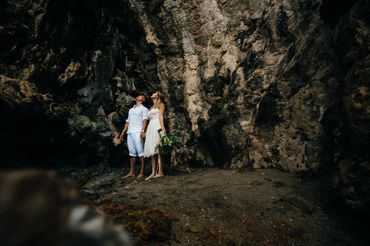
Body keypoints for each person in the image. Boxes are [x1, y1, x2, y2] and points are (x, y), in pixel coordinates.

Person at [118, 94, 148, 179]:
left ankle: (142, 172)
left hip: (138, 132)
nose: (139, 97)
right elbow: (127, 122)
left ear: (143, 100)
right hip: (130, 132)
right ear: (136, 98)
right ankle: (132, 172)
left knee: (141, 153)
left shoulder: (144, 109)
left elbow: (145, 120)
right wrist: (123, 132)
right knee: (132, 153)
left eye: (142, 97)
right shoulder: (131, 110)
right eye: (138, 96)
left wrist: (143, 131)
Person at [141, 91, 166, 180]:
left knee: (158, 149)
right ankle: (153, 172)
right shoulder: (151, 107)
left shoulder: (161, 104)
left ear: (158, 96)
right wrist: (144, 131)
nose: (152, 93)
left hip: (157, 126)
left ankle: (160, 172)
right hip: (151, 127)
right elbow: (147, 120)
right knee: (152, 150)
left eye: (155, 93)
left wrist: (162, 128)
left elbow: (161, 116)